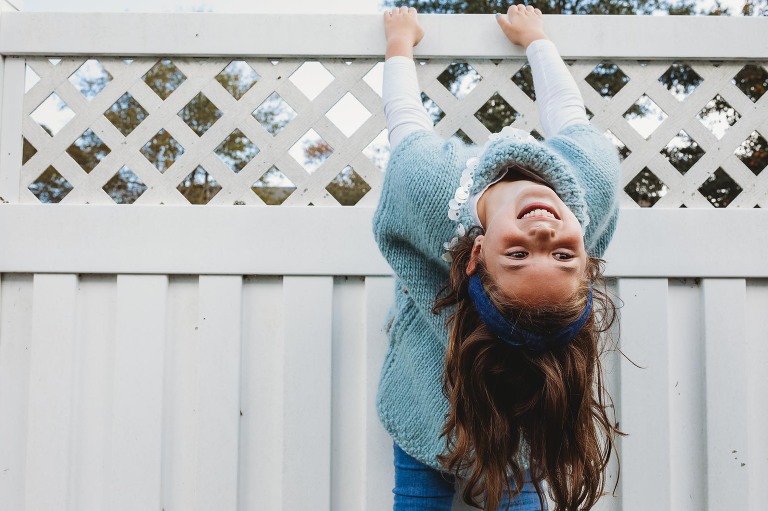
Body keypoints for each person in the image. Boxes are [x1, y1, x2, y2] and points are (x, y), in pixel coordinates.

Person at [373, 5, 623, 511]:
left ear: (475, 257)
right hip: (430, 381)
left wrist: (399, 44)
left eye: (517, 253)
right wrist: (537, 39)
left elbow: (406, 123)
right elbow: (569, 116)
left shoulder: (429, 188)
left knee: (515, 482)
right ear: (588, 262)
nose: (543, 230)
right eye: (562, 253)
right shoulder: (590, 184)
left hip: (520, 402)